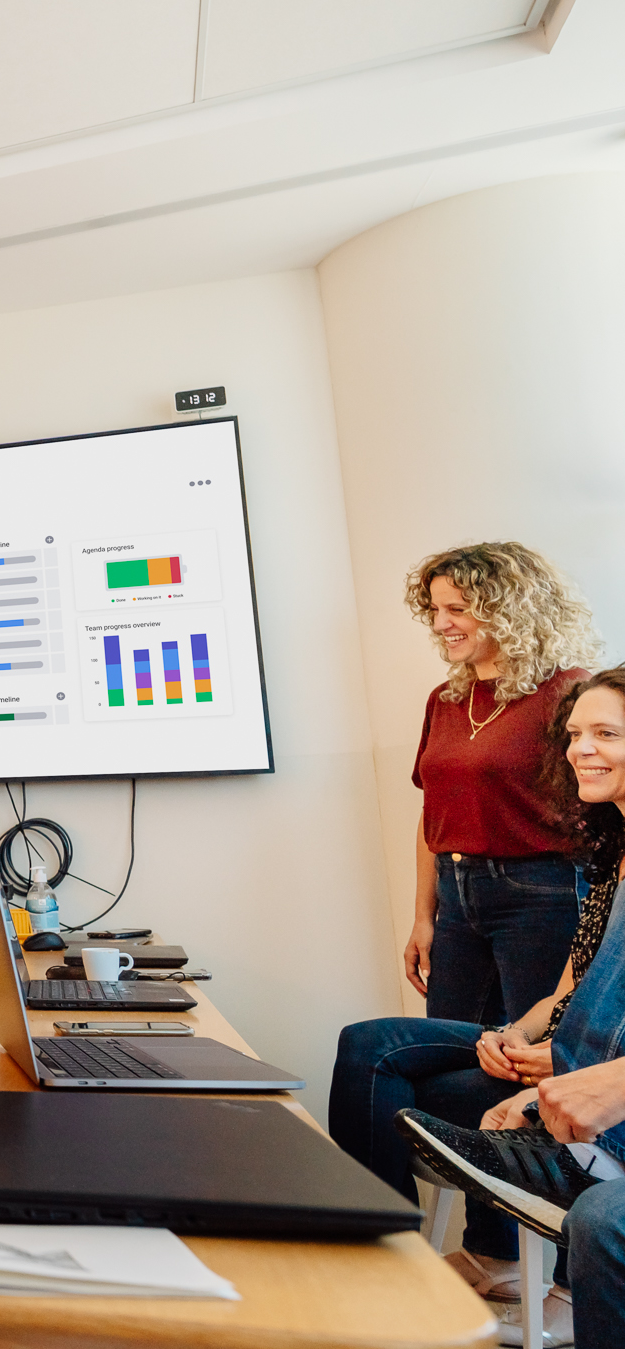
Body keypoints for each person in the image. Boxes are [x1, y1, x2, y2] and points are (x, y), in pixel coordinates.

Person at [333, 669, 625, 1326]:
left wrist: (565, 1068)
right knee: (371, 1048)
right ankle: (381, 1263)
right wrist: (519, 1037)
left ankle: (576, 1159)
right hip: (567, 1055)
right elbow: (570, 990)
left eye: (605, 734)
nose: (582, 748)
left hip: (596, 1081)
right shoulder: (610, 856)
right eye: (577, 734)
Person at [403, 543, 600, 1026]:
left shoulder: (572, 692)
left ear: (509, 610)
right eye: (434, 610)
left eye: (457, 609)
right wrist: (423, 917)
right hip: (455, 893)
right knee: (448, 1048)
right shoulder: (446, 699)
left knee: (527, 1051)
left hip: (542, 893)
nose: (440, 624)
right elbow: (434, 814)